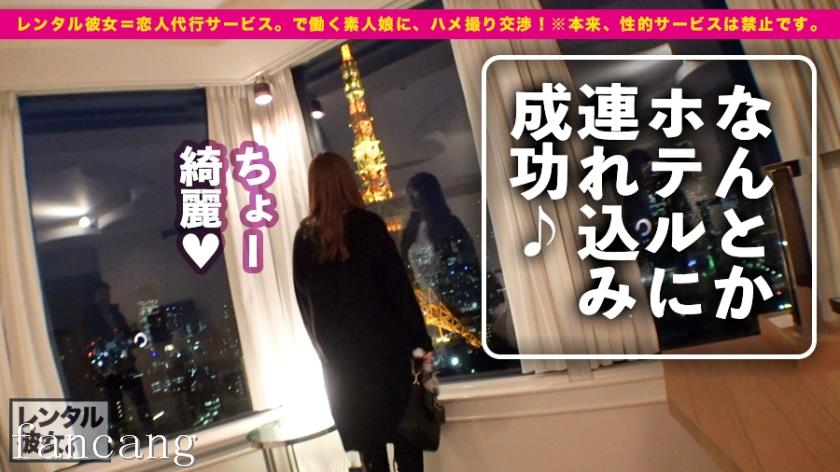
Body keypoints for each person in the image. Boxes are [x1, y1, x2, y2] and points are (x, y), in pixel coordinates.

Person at [292, 152, 433, 472]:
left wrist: (327, 354)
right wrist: (422, 344)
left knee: (372, 458)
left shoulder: (304, 240)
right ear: (348, 181)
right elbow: (399, 293)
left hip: (345, 372)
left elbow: (306, 310)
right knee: (408, 446)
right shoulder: (368, 226)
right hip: (389, 360)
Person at [82, 280, 154, 437]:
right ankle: (120, 436)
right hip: (108, 370)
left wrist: (132, 338)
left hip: (125, 364)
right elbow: (90, 343)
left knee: (139, 399)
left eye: (107, 293)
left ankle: (149, 431)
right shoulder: (89, 319)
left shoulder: (116, 314)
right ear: (94, 296)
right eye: (102, 294)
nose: (106, 297)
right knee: (116, 405)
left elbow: (126, 334)